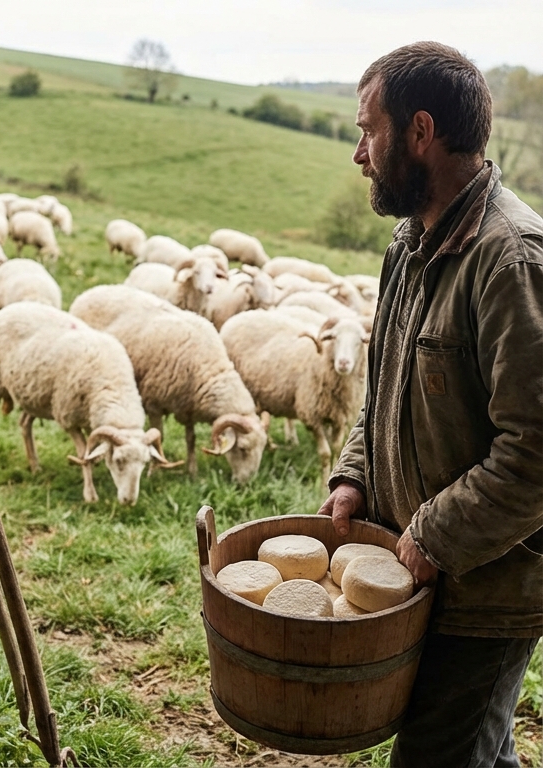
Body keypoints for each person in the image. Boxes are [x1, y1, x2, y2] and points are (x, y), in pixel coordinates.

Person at [320, 41, 543, 767]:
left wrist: (434, 536)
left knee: (439, 755)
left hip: (485, 589)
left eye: (368, 130)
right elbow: (386, 383)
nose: (358, 153)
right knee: (477, 747)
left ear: (420, 132)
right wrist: (355, 473)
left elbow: (536, 452)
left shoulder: (512, 260)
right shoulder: (409, 241)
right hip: (419, 574)